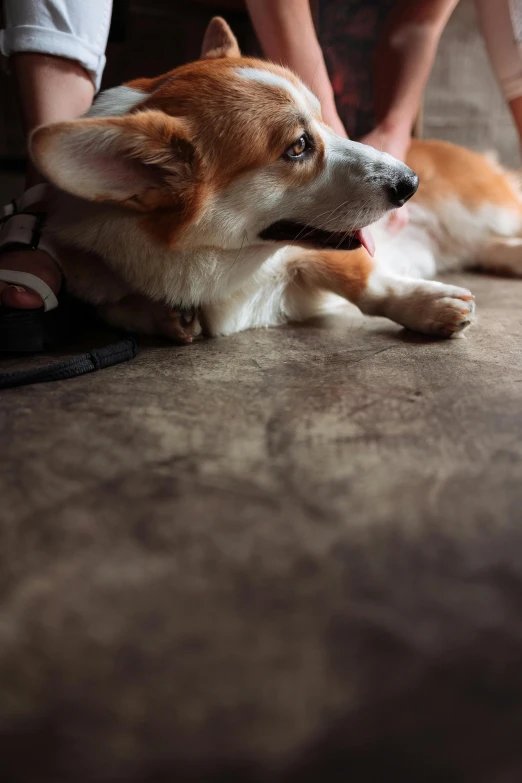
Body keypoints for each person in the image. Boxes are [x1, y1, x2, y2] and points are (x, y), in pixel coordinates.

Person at [0, 0, 521, 350]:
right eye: (299, 147)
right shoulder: (139, 176)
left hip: (423, 222)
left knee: (494, 209)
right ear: (141, 171)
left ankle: (495, 246)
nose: (389, 173)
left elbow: (420, 24)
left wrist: (386, 296)